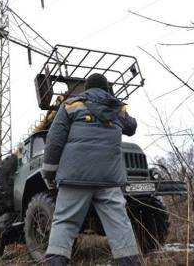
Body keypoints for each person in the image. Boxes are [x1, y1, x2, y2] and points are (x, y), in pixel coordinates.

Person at [42, 73, 141, 265]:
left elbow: (54, 142)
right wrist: (116, 104)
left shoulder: (70, 105)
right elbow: (131, 127)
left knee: (65, 222)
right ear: (107, 89)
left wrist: (49, 173)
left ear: (86, 88)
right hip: (109, 179)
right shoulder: (116, 108)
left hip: (74, 178)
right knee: (119, 225)